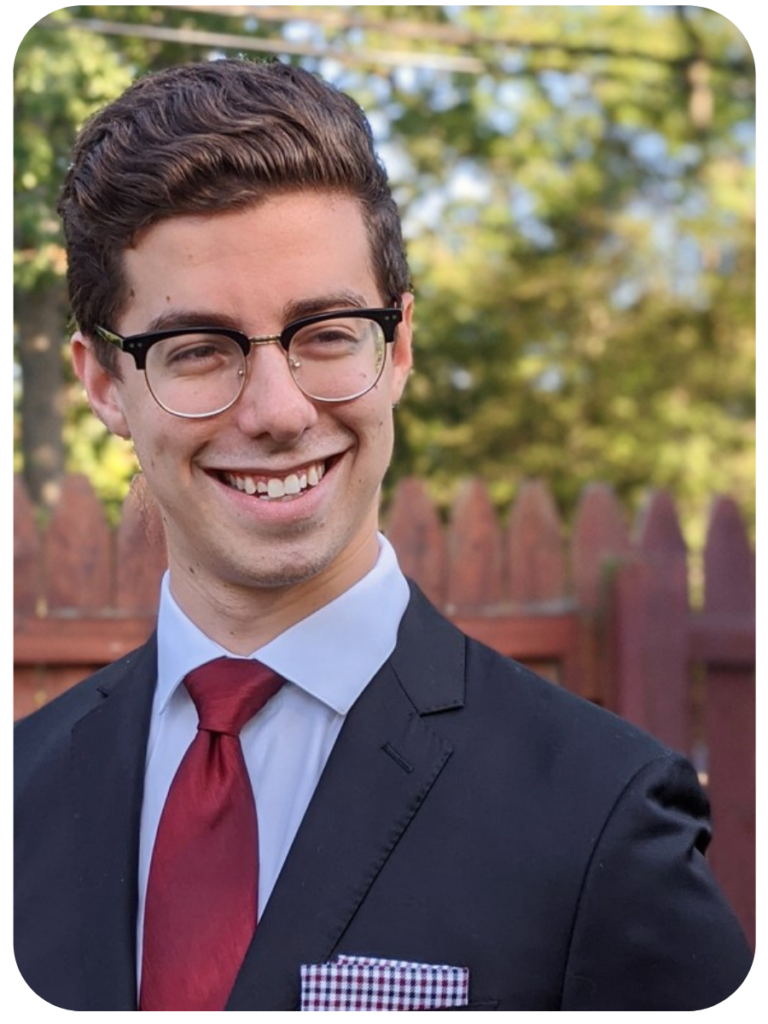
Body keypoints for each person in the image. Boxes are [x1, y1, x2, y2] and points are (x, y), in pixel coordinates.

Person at [14, 58, 752, 1013]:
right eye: (198, 349)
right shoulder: (18, 795)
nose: (278, 411)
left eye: (326, 332)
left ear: (397, 346)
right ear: (106, 385)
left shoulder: (600, 815)